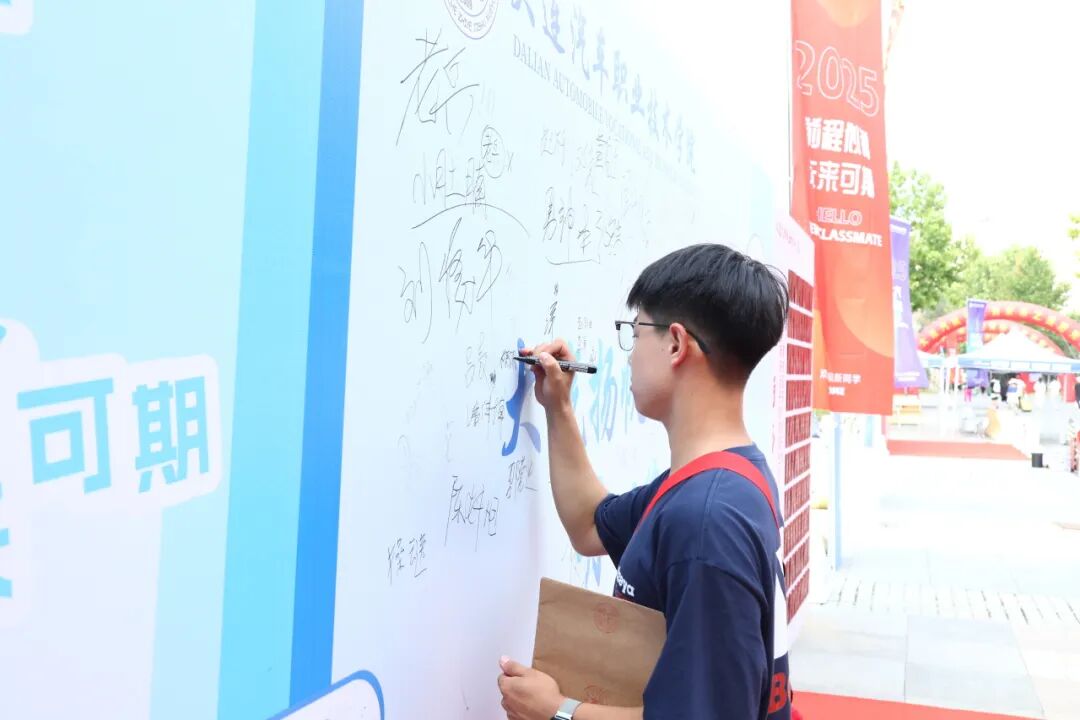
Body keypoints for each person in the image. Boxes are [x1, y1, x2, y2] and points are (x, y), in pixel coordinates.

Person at [497, 244, 793, 720]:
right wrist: (558, 407)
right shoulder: (724, 476)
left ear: (676, 344)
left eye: (635, 334)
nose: (630, 356)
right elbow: (590, 525)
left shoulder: (706, 518)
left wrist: (558, 712)